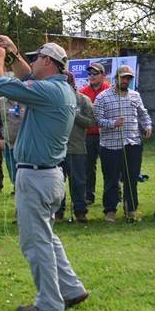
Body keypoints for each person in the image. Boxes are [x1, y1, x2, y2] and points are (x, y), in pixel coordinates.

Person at [0, 37, 88, 311]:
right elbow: (28, 74)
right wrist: (13, 53)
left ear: (47, 62)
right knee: (48, 237)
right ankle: (72, 289)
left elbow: (0, 85)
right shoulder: (62, 89)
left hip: (36, 177)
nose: (31, 62)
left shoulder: (49, 91)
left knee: (35, 242)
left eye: (35, 58)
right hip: (49, 176)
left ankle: (49, 302)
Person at [93, 65, 152, 222]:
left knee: (131, 179)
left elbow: (143, 114)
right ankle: (110, 211)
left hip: (133, 144)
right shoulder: (102, 97)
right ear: (116, 78)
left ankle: (130, 210)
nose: (125, 80)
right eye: (123, 77)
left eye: (128, 78)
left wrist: (147, 126)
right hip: (110, 146)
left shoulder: (135, 96)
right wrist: (113, 123)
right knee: (111, 180)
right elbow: (97, 120)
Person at [55, 73, 95, 222]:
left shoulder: (83, 100)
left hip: (77, 148)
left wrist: (74, 115)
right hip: (57, 149)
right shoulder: (54, 100)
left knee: (78, 182)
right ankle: (58, 212)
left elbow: (91, 122)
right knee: (57, 183)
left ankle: (80, 211)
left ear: (72, 83)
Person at [78, 63, 110, 204]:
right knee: (88, 166)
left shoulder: (110, 91)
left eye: (95, 73)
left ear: (103, 75)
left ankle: (114, 195)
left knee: (110, 166)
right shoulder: (82, 92)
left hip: (107, 134)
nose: (91, 76)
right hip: (89, 135)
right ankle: (89, 195)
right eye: (89, 74)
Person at [0, 97, 25, 188]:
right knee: (15, 178)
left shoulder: (27, 99)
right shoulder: (1, 102)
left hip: (28, 147)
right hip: (9, 147)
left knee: (28, 178)